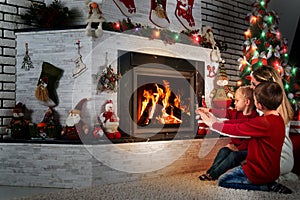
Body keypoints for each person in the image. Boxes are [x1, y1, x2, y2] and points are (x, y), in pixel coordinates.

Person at [199, 82, 293, 194]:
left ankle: (266, 186)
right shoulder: (277, 119)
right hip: (272, 172)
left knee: (223, 181)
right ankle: (267, 183)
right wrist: (215, 120)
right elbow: (242, 122)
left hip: (258, 172)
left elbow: (238, 129)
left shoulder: (263, 122)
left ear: (259, 105)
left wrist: (213, 124)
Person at [197, 86, 258, 181]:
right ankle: (210, 172)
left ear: (247, 102)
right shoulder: (236, 113)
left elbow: (252, 140)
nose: (234, 103)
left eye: (237, 100)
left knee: (233, 156)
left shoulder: (254, 119)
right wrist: (208, 110)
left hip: (247, 150)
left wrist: (237, 148)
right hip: (235, 146)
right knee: (223, 151)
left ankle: (213, 175)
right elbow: (223, 113)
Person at [251, 66, 296, 180]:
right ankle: (283, 175)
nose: (250, 87)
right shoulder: (277, 106)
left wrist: (216, 124)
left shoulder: (270, 113)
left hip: (279, 160)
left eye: (254, 84)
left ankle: (275, 179)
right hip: (284, 159)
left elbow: (246, 128)